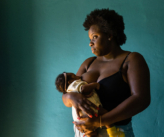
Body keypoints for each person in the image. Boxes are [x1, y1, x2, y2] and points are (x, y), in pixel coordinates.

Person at [62, 8, 150, 137]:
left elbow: (141, 99)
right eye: (90, 39)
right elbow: (67, 95)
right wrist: (70, 97)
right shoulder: (88, 63)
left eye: (95, 37)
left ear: (109, 35)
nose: (90, 43)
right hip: (85, 133)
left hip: (115, 132)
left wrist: (100, 121)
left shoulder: (131, 60)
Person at [55, 72, 125, 137]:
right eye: (74, 76)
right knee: (105, 113)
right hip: (91, 110)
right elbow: (83, 89)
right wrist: (94, 85)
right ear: (70, 82)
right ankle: (113, 133)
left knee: (90, 133)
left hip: (79, 117)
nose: (78, 76)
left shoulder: (69, 91)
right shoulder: (75, 84)